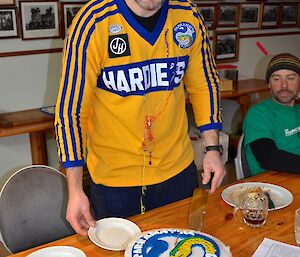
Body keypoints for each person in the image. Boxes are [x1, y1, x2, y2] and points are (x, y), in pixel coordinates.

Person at [55, 0, 226, 236]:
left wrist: (213, 148)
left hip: (177, 171)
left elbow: (204, 85)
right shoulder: (93, 22)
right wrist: (74, 188)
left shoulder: (187, 15)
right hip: (114, 181)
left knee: (180, 246)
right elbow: (71, 110)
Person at [243, 53, 300, 176]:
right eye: (276, 79)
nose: (284, 85)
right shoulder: (258, 114)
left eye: (290, 78)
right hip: (272, 185)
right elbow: (268, 158)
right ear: (269, 83)